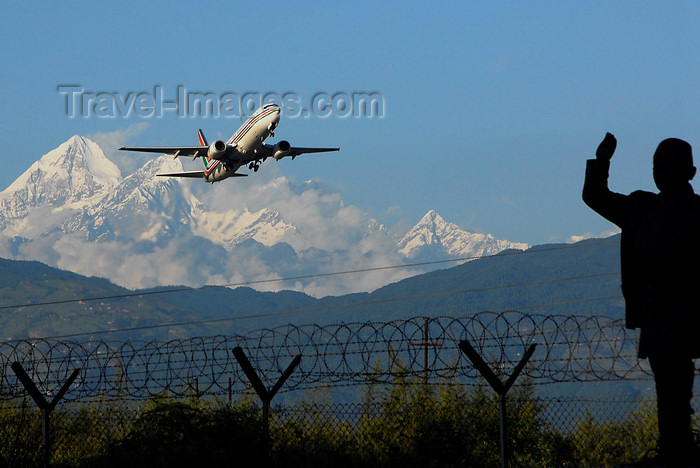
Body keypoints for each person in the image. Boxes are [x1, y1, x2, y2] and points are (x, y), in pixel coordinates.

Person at [583, 133, 700, 466]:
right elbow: (594, 195)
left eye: (670, 168)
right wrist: (601, 161)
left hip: (684, 313)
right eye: (657, 168)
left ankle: (679, 447)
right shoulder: (639, 207)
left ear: (690, 172)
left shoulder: (693, 211)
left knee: (675, 387)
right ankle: (676, 446)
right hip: (657, 315)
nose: (662, 174)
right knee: (670, 388)